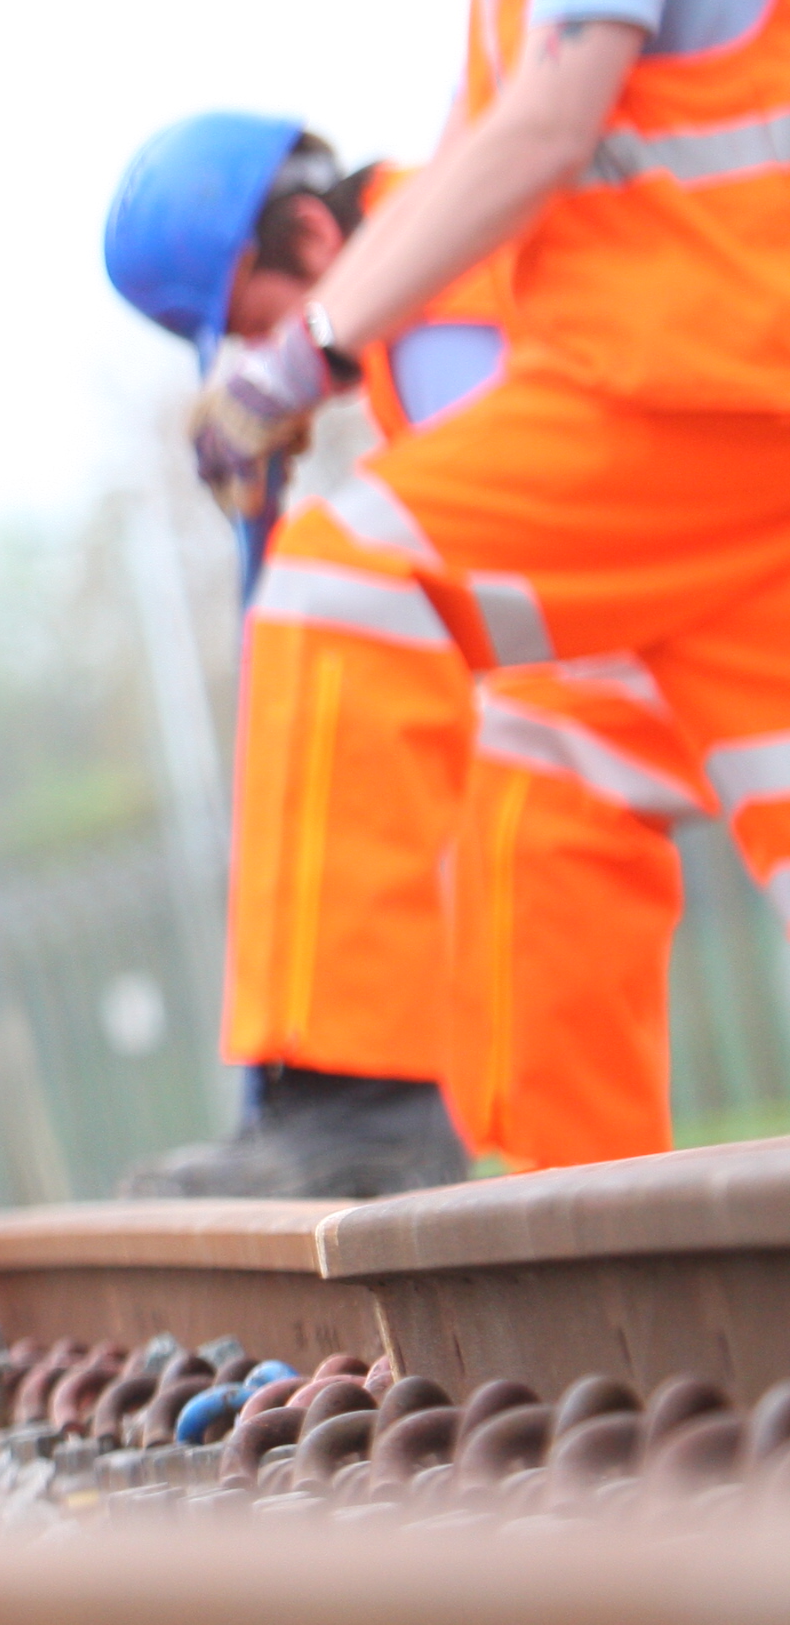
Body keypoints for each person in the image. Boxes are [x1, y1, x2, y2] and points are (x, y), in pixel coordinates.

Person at [189, 0, 790, 1149]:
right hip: (718, 441)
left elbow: (542, 126)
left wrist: (304, 345)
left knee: (336, 577)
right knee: (552, 779)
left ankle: (349, 1097)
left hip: (695, 399)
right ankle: (604, 1286)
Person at [103, 113, 701, 1191]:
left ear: (313, 242)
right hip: (693, 593)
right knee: (528, 826)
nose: (262, 358)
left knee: (489, 763)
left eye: (258, 325)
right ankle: (581, 1220)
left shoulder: (438, 300)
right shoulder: (418, 299)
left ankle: (397, 1122)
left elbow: (542, 545)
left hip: (699, 577)